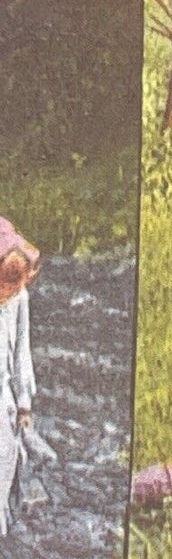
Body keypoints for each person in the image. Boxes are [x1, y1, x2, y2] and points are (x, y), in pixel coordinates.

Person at [0, 221, 41, 536]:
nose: (7, 295)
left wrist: (24, 405)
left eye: (12, 288)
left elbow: (21, 351)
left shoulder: (19, 298)